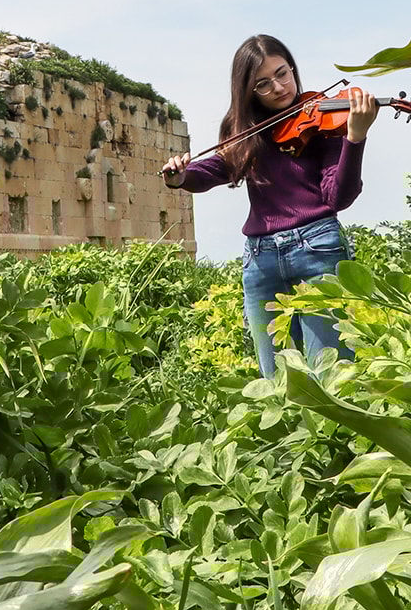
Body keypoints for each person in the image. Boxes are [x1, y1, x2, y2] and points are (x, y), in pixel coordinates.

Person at [161, 34, 378, 377]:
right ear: (249, 92)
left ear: (292, 68)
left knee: (331, 374)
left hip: (318, 249)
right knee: (275, 379)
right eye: (263, 84)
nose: (278, 87)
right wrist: (180, 176)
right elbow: (216, 168)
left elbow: (339, 197)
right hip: (260, 259)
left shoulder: (322, 119)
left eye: (282, 74)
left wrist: (355, 137)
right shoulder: (248, 132)